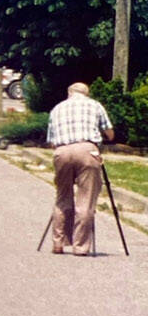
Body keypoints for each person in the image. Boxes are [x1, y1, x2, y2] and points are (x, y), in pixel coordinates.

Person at [46, 82, 115, 256]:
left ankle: (58, 243)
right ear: (86, 93)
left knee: (62, 196)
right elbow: (110, 133)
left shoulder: (57, 109)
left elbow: (51, 141)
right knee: (86, 198)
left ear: (69, 93)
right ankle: (80, 247)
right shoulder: (95, 105)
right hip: (87, 150)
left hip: (62, 151)